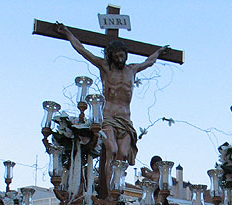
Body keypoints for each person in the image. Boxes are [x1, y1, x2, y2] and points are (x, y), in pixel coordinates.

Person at [56, 22, 169, 193]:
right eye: (116, 55)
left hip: (126, 120)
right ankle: (107, 192)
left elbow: (150, 61)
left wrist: (159, 52)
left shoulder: (133, 70)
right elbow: (83, 50)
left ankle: (117, 192)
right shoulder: (105, 68)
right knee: (112, 149)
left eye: (122, 54)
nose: (119, 58)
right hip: (108, 117)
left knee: (122, 156)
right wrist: (68, 33)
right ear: (111, 56)